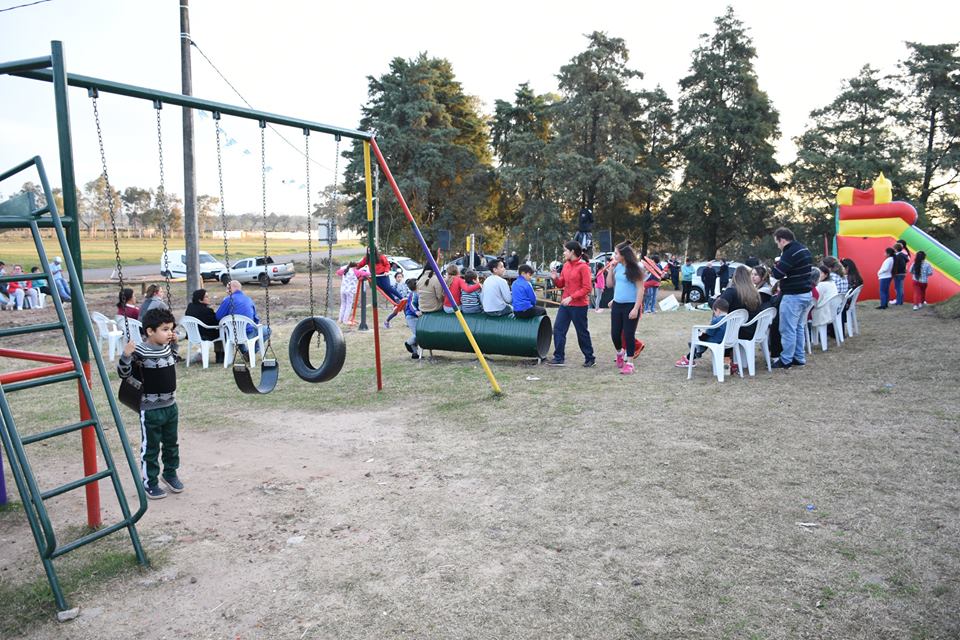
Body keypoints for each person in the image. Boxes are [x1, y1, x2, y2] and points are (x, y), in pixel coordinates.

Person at [117, 307, 182, 500]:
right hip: (150, 408)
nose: (170, 332)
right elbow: (123, 373)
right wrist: (126, 355)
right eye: (165, 329)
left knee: (172, 444)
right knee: (151, 447)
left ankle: (170, 473)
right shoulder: (140, 351)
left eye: (171, 328)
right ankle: (150, 482)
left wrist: (176, 346)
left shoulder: (168, 347)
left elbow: (172, 360)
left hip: (171, 405)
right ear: (150, 331)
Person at [770, 227, 813, 369]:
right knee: (799, 327)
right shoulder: (803, 249)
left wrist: (774, 265)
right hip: (806, 294)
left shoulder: (789, 252)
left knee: (787, 329)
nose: (777, 245)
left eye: (777, 242)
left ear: (782, 240)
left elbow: (778, 274)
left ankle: (786, 359)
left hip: (793, 295)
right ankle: (799, 357)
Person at [546, 241, 595, 367]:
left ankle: (590, 358)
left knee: (581, 332)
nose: (564, 253)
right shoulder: (566, 265)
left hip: (579, 306)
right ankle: (558, 357)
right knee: (558, 329)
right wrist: (555, 277)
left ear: (572, 252)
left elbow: (587, 288)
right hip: (565, 304)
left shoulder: (583, 267)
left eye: (565, 250)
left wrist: (571, 298)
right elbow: (561, 284)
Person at [605, 241, 645, 374]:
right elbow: (610, 285)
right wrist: (611, 268)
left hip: (630, 305)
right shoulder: (617, 267)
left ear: (623, 254)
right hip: (617, 305)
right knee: (615, 334)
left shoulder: (635, 268)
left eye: (616, 253)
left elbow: (640, 289)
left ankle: (630, 363)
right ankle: (619, 353)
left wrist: (635, 308)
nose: (614, 255)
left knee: (628, 334)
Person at [675, 297, 730, 368]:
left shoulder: (716, 320)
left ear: (718, 311)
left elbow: (709, 334)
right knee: (700, 340)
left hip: (716, 340)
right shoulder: (730, 319)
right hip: (727, 340)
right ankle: (692, 355)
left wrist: (701, 334)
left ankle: (689, 358)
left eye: (714, 312)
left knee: (698, 340)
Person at [215, 280, 271, 345]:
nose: (226, 291)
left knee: (236, 332)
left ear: (233, 288)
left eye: (228, 288)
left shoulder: (228, 299)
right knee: (268, 330)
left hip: (233, 335)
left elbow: (218, 317)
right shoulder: (248, 299)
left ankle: (245, 352)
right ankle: (251, 351)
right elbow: (256, 319)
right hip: (249, 333)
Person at [184, 289, 225, 364]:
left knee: (218, 332)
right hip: (204, 334)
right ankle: (220, 357)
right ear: (200, 300)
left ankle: (220, 356)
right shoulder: (207, 311)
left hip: (192, 335)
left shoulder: (190, 307)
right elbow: (216, 323)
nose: (208, 298)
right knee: (222, 332)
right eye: (206, 297)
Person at [337, 261, 362, 326]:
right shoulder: (356, 271)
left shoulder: (345, 270)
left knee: (343, 305)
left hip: (343, 290)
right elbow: (366, 274)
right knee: (349, 305)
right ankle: (345, 320)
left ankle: (340, 319)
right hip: (350, 291)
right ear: (355, 266)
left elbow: (338, 272)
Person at [403, 281, 422, 359]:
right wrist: (415, 311)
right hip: (411, 317)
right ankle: (408, 343)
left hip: (415, 316)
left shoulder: (417, 293)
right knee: (418, 334)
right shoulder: (413, 294)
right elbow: (411, 304)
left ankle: (415, 354)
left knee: (418, 334)